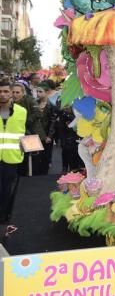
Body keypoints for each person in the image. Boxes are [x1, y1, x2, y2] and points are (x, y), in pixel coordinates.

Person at [0, 80, 27, 223]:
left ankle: (4, 215)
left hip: (12, 157)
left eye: (6, 91)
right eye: (0, 92)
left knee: (7, 189)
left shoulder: (22, 111)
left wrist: (25, 149)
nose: (3, 95)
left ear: (11, 93)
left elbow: (23, 133)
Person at [33, 83, 57, 175]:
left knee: (46, 155)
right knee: (35, 155)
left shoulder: (52, 106)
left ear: (47, 92)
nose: (38, 94)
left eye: (40, 91)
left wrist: (50, 136)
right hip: (35, 134)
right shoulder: (34, 104)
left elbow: (53, 122)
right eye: (37, 91)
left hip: (47, 135)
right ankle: (36, 173)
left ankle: (44, 173)